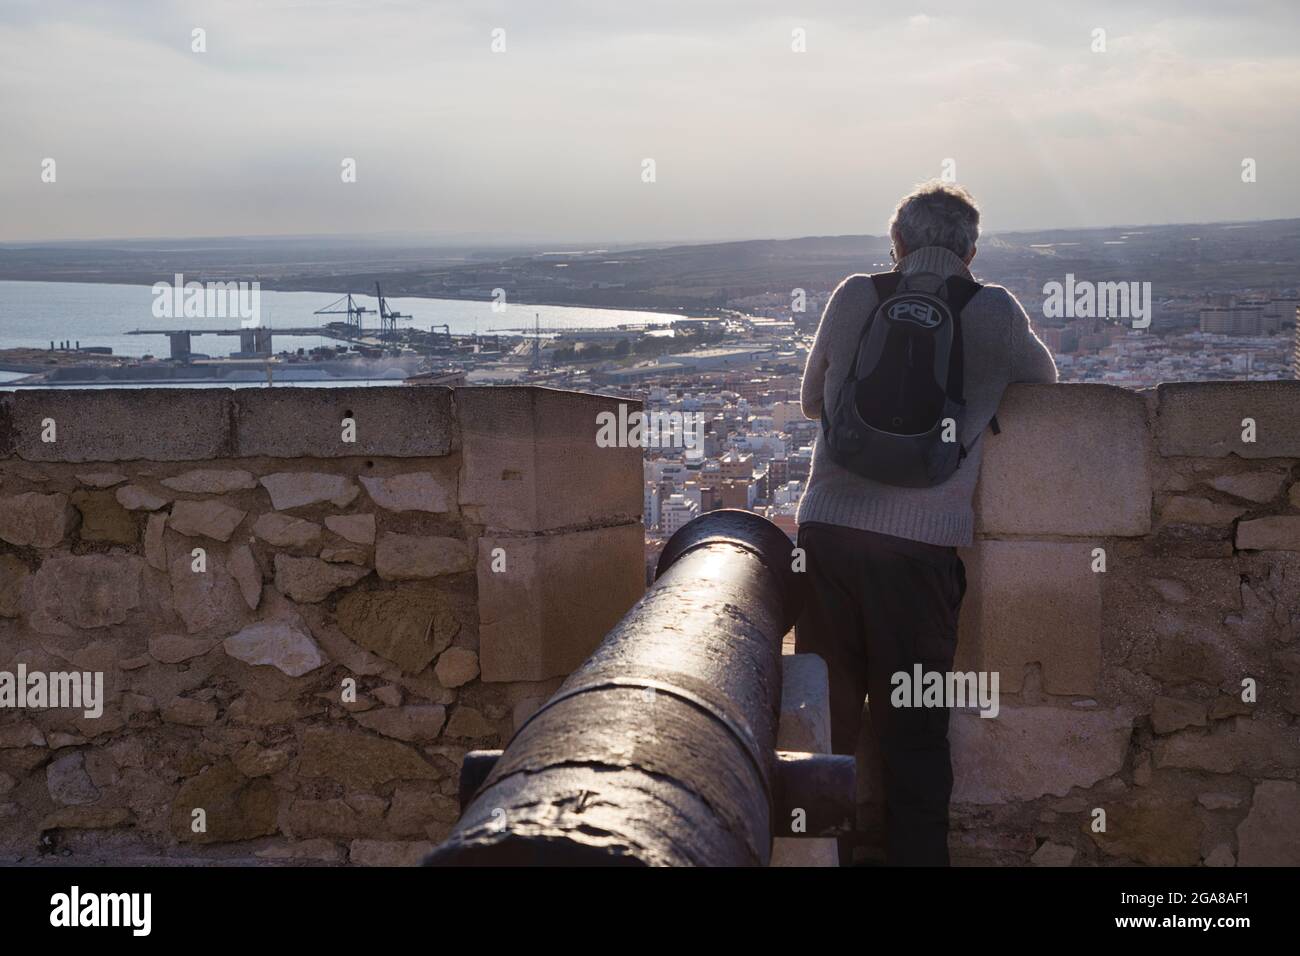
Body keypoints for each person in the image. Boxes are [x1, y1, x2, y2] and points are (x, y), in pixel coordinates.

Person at [796, 180, 1058, 865]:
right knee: (914, 735)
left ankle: (817, 856)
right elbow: (1048, 385)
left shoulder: (857, 294)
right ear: (971, 250)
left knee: (824, 723)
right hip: (920, 550)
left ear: (898, 243)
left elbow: (807, 401)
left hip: (828, 538)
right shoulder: (995, 309)